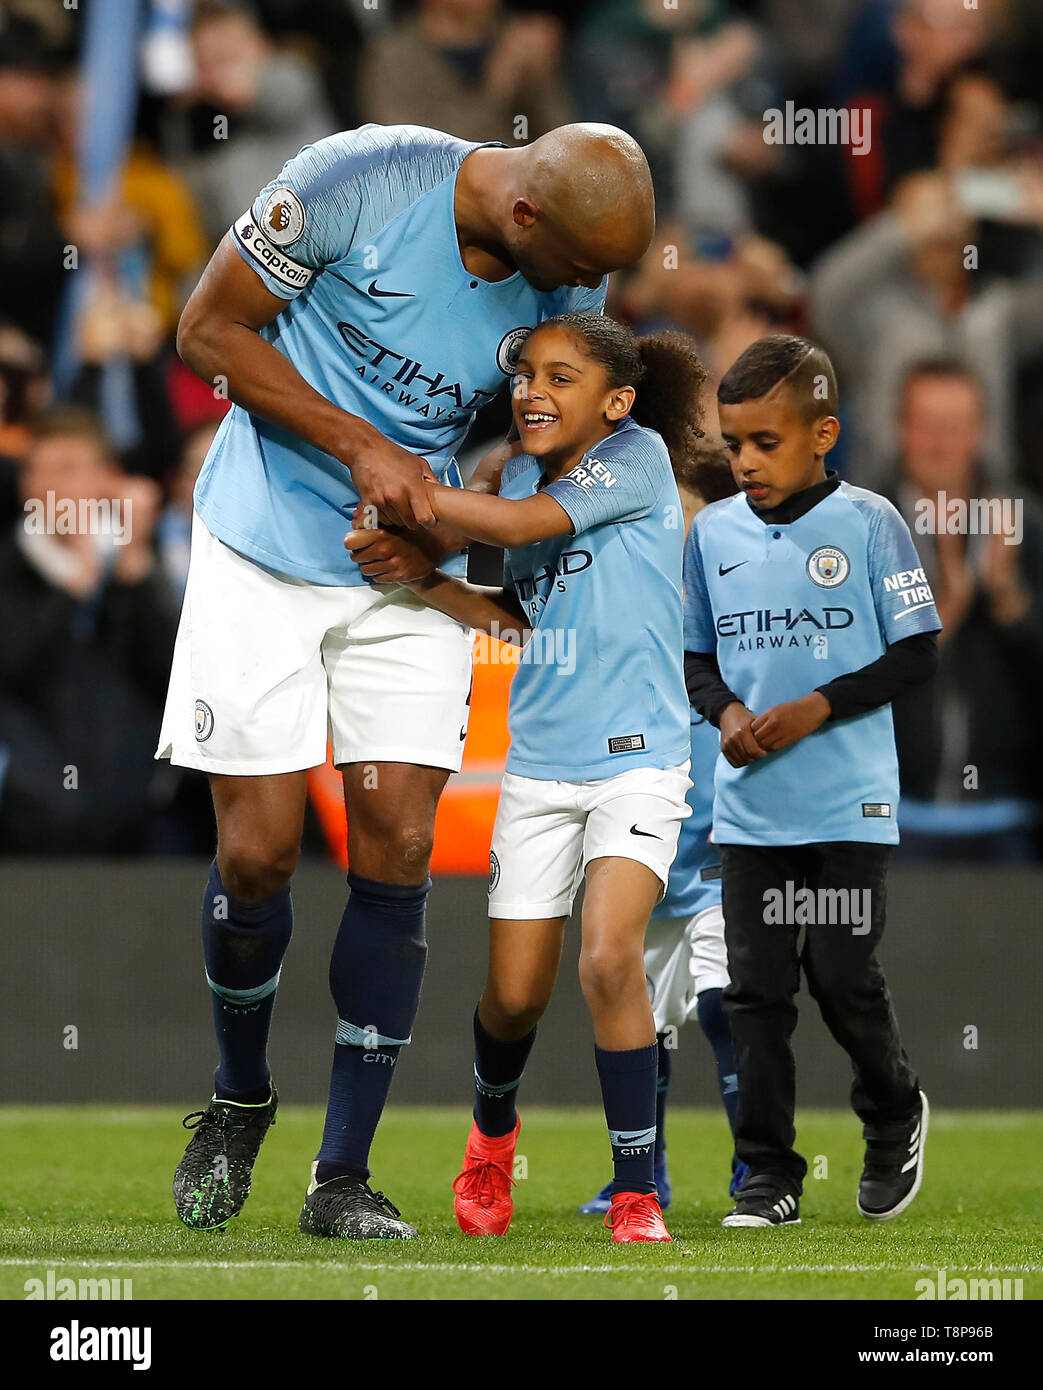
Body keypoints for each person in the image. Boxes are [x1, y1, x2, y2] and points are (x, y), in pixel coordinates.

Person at [164, 122, 655, 1241]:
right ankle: (239, 1095)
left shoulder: (555, 284)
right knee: (257, 853)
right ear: (527, 215)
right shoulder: (359, 181)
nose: (590, 288)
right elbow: (207, 328)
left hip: (402, 573)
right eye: (580, 266)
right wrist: (357, 447)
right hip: (261, 549)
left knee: (397, 847)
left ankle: (341, 1175)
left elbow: (534, 463)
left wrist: (448, 553)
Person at [349, 312, 705, 1243]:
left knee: (607, 955)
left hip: (641, 761)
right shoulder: (513, 473)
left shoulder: (636, 459)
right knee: (512, 997)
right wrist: (420, 577)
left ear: (616, 401)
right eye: (526, 377)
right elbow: (515, 617)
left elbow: (512, 526)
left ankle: (636, 1191)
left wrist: (410, 493)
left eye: (560, 377)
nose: (532, 392)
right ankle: (491, 1140)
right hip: (542, 767)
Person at [683, 334, 940, 1227]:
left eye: (765, 442)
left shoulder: (869, 522)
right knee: (754, 993)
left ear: (822, 432)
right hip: (751, 812)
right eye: (733, 444)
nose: (745, 462)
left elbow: (915, 651)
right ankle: (768, 1175)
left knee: (840, 974)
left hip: (846, 804)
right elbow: (695, 659)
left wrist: (814, 707)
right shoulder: (710, 533)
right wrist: (724, 716)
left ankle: (892, 1111)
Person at [578, 438, 749, 1215]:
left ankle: (758, 1166)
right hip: (641, 864)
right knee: (638, 1024)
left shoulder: (743, 630)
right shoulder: (614, 625)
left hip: (721, 864)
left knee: (724, 1004)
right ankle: (641, 1177)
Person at [886, 359, 1043, 860]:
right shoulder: (858, 529)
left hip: (1007, 811)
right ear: (901, 429)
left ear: (979, 433)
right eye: (927, 426)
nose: (939, 445)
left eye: (953, 428)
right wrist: (940, 618)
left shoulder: (1025, 528)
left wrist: (1009, 602)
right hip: (890, 810)